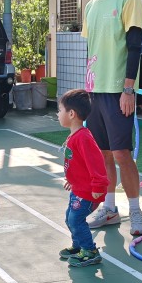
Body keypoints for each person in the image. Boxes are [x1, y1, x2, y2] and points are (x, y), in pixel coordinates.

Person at [76, 0, 142, 236]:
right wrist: (87, 91)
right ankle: (109, 208)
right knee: (103, 154)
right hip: (95, 92)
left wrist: (128, 90)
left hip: (119, 91)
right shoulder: (90, 7)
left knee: (121, 154)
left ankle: (135, 211)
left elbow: (135, 47)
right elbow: (93, 50)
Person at [57, 89, 109, 268]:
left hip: (88, 192)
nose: (58, 114)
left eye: (60, 110)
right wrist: (72, 180)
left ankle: (90, 251)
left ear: (71, 114)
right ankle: (79, 245)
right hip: (78, 189)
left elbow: (96, 163)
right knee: (69, 218)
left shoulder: (83, 138)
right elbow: (78, 164)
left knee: (76, 220)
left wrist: (98, 186)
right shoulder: (75, 135)